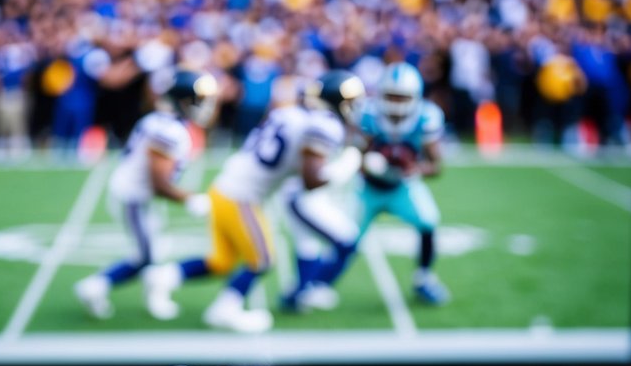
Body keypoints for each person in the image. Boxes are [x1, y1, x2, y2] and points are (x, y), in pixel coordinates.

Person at [142, 69, 366, 332]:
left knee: (221, 262)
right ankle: (225, 309)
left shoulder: (288, 113)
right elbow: (311, 180)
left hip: (226, 187)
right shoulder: (323, 125)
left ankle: (163, 277)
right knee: (263, 258)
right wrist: (347, 165)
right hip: (241, 197)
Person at [73, 69, 218, 320]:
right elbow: (159, 183)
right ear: (184, 101)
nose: (204, 105)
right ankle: (95, 287)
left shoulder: (160, 121)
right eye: (199, 99)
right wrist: (191, 199)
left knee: (153, 249)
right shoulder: (169, 131)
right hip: (134, 197)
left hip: (134, 192)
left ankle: (149, 296)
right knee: (147, 256)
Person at [355, 61, 450, 305]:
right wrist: (366, 163)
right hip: (367, 188)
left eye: (402, 97)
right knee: (344, 236)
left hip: (402, 187)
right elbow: (354, 155)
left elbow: (436, 166)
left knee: (428, 221)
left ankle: (424, 278)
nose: (396, 103)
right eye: (392, 96)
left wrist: (415, 168)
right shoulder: (367, 113)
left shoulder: (427, 117)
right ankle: (317, 284)